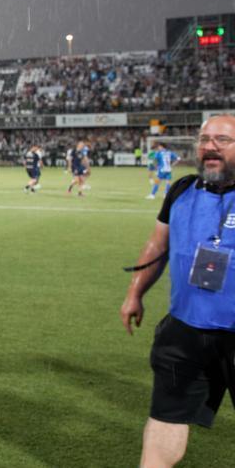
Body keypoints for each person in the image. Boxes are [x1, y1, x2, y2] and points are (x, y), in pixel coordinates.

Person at [120, 116, 235, 468]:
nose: (210, 147)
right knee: (166, 416)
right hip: (184, 331)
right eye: (204, 139)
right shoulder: (182, 190)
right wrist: (134, 292)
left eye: (222, 140)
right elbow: (158, 244)